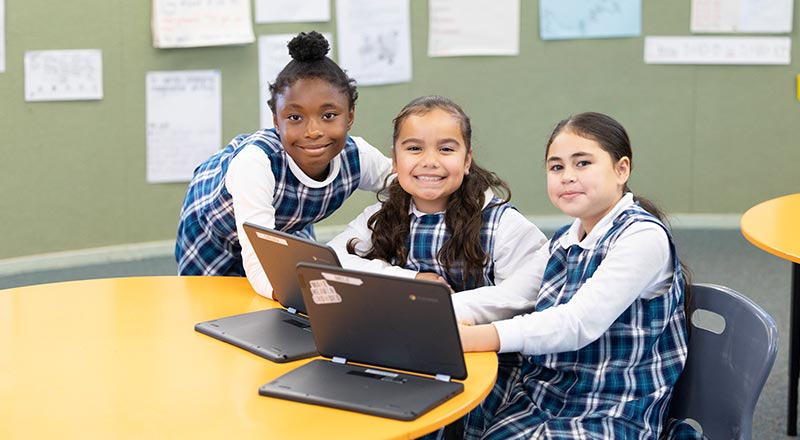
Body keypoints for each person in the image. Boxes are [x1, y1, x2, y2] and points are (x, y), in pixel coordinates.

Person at [453, 112, 692, 439]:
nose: (567, 176)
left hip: (613, 404)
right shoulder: (566, 237)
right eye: (556, 167)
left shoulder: (643, 237)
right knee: (448, 409)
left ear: (621, 169)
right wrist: (440, 312)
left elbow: (577, 323)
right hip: (552, 390)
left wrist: (480, 337)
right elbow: (515, 294)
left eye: (582, 163)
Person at [174, 31, 392, 299]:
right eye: (295, 117)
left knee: (295, 292)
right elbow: (259, 263)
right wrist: (313, 297)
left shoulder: (358, 156)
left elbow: (409, 185)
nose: (313, 131)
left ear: (349, 117)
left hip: (283, 221)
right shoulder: (255, 164)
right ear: (276, 122)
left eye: (328, 115)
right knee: (213, 305)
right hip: (213, 228)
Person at [327, 95, 547, 295]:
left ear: (467, 160)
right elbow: (329, 262)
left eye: (446, 149)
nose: (430, 161)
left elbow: (519, 297)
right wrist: (413, 280)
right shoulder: (379, 217)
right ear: (394, 160)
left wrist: (441, 305)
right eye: (414, 148)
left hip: (474, 337)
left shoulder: (504, 225)